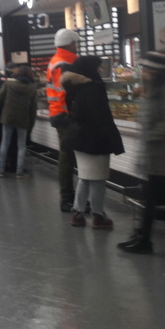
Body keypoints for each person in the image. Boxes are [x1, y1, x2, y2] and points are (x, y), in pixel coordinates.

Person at [117, 51, 165, 253]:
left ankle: (144, 239)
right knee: (151, 196)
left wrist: (150, 136)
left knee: (150, 197)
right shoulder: (155, 87)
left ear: (156, 70)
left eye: (147, 68)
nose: (144, 72)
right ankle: (141, 236)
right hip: (157, 154)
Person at [60, 56, 123, 230]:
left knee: (85, 177)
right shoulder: (95, 88)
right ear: (90, 69)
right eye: (98, 67)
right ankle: (98, 215)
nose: (101, 70)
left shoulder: (74, 87)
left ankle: (78, 213)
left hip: (78, 138)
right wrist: (115, 141)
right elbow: (103, 117)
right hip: (95, 138)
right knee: (98, 179)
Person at [47, 28, 80, 212]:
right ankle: (67, 198)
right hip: (64, 115)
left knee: (67, 155)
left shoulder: (55, 60)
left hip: (58, 114)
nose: (77, 46)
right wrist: (72, 115)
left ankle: (70, 196)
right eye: (76, 43)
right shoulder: (64, 64)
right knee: (67, 157)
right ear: (70, 43)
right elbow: (63, 94)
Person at [0, 65, 37, 178]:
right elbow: (33, 108)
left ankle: (1, 170)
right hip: (23, 119)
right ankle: (19, 172)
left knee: (5, 143)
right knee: (21, 145)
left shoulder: (9, 84)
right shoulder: (32, 87)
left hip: (8, 117)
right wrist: (31, 124)